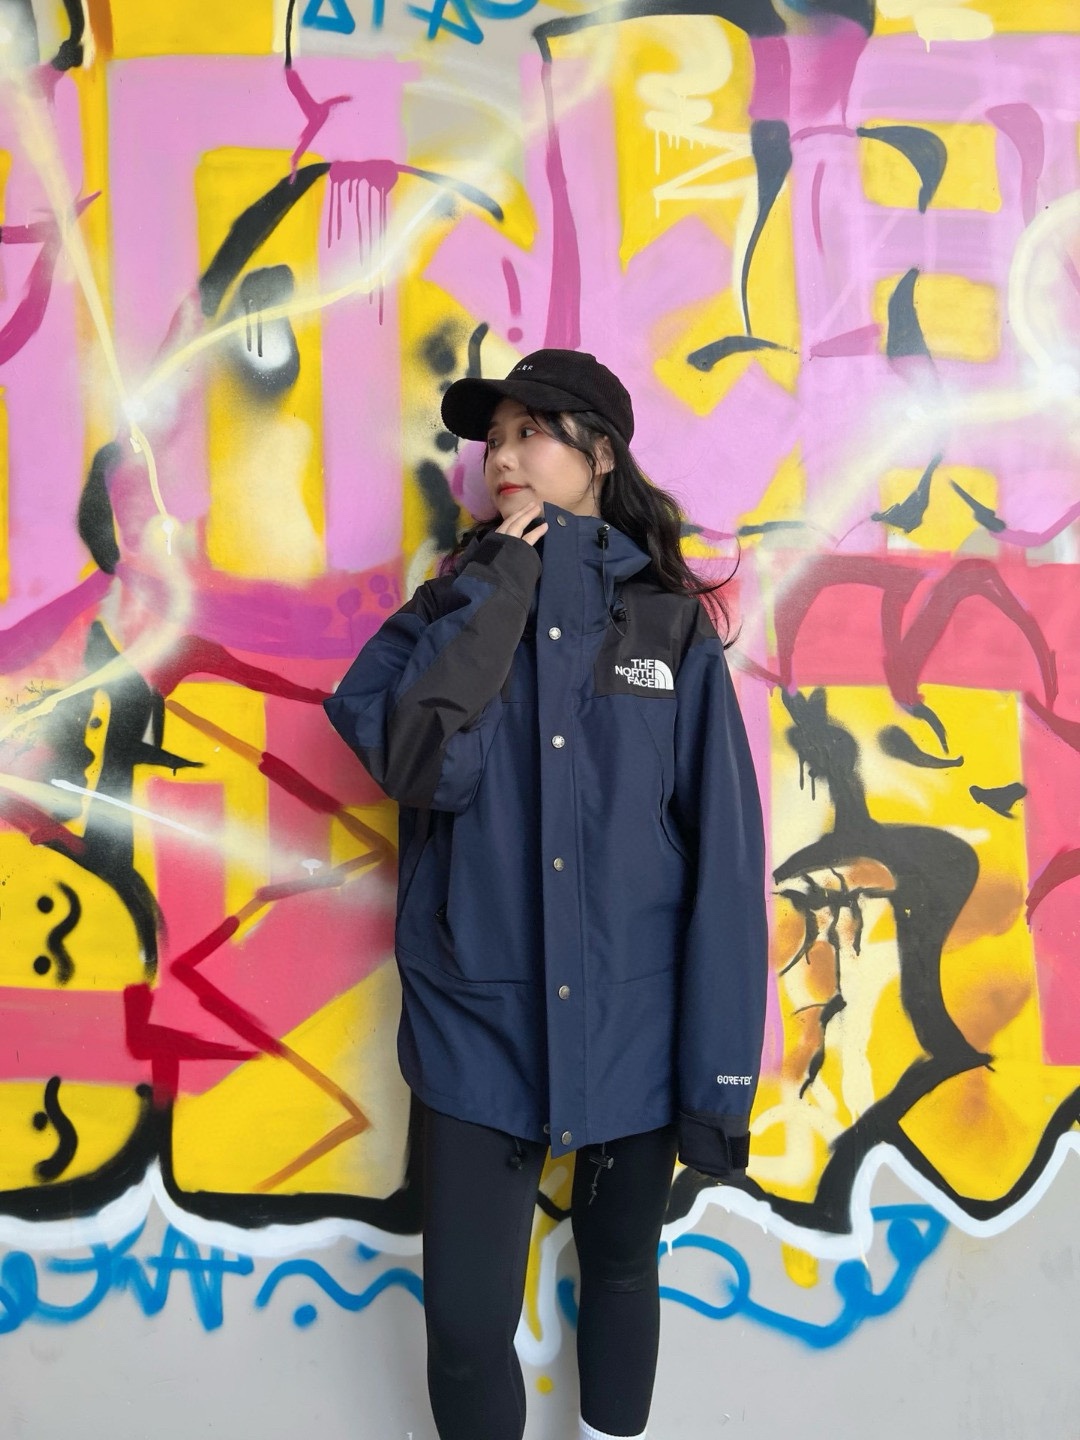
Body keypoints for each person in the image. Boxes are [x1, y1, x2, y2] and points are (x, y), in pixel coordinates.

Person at [324, 349, 768, 1440]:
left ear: (599, 455)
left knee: (621, 1272)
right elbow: (422, 764)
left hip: (633, 1028)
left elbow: (724, 860)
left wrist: (716, 1078)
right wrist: (499, 598)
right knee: (467, 1325)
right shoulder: (449, 611)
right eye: (495, 436)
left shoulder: (668, 631)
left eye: (532, 431)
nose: (503, 454)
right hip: (479, 1028)